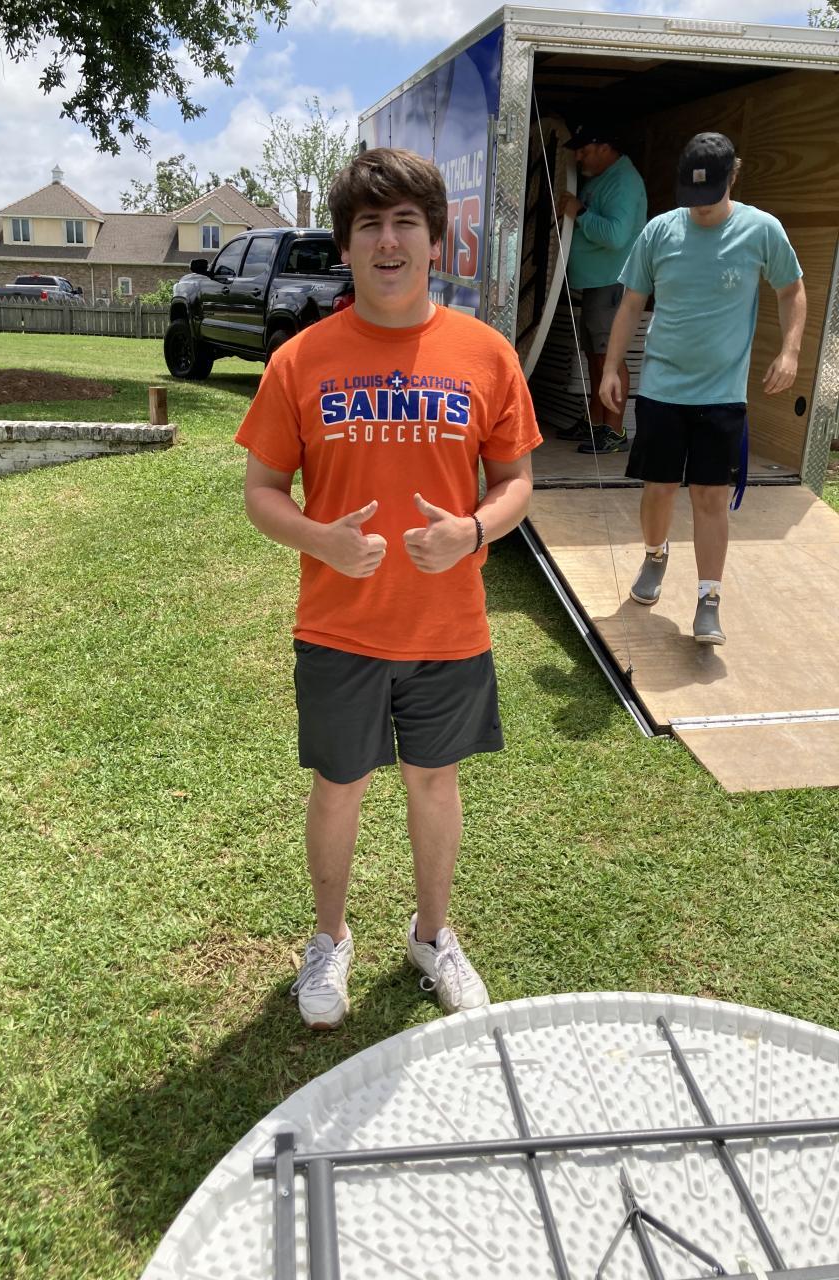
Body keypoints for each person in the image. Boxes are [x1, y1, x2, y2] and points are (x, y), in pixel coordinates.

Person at [235, 148, 541, 1030]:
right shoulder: (301, 361)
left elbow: (516, 482)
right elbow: (261, 492)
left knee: (434, 784)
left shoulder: (485, 355)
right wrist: (322, 541)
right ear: (346, 245)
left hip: (449, 628)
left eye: (407, 221)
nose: (389, 240)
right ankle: (329, 939)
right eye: (369, 224)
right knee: (338, 785)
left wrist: (472, 532)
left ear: (436, 240)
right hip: (339, 626)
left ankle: (431, 935)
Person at [600, 132, 805, 645]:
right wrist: (611, 367)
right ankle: (655, 556)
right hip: (662, 387)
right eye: (692, 196)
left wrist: (790, 350)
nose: (701, 207)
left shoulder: (762, 230)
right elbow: (631, 303)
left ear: (732, 176)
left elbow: (791, 289)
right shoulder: (659, 231)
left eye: (710, 194)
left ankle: (709, 598)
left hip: (722, 393)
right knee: (658, 488)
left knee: (710, 495)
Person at [558, 122, 647, 455]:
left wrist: (579, 212)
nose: (579, 158)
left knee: (610, 356)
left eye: (585, 150)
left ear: (605, 147)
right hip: (596, 281)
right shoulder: (602, 177)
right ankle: (596, 421)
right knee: (595, 356)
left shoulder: (623, 182)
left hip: (612, 280)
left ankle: (614, 431)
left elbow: (616, 236)